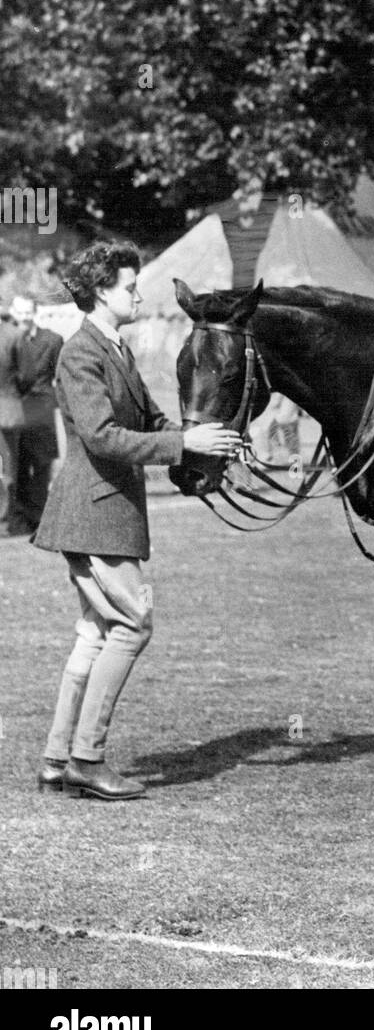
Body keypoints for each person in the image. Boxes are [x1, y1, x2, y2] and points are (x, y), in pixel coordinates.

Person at [35, 241, 241, 801]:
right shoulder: (81, 353)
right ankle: (86, 757)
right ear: (101, 291)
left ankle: (58, 759)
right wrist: (182, 442)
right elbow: (102, 436)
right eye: (129, 286)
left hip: (102, 515)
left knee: (96, 633)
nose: (138, 294)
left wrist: (208, 443)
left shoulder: (113, 347)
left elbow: (148, 420)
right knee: (133, 625)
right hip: (93, 515)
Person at [9, 295, 63, 535]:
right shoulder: (8, 340)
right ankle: (18, 519)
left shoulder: (52, 340)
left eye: (27, 312)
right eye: (19, 313)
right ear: (12, 313)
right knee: (17, 464)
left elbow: (58, 376)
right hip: (15, 409)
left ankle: (39, 518)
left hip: (41, 408)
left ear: (35, 312)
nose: (23, 318)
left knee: (42, 465)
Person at [0, 305, 27, 537]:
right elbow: (25, 374)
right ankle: (8, 520)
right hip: (8, 409)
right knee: (9, 468)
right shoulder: (14, 334)